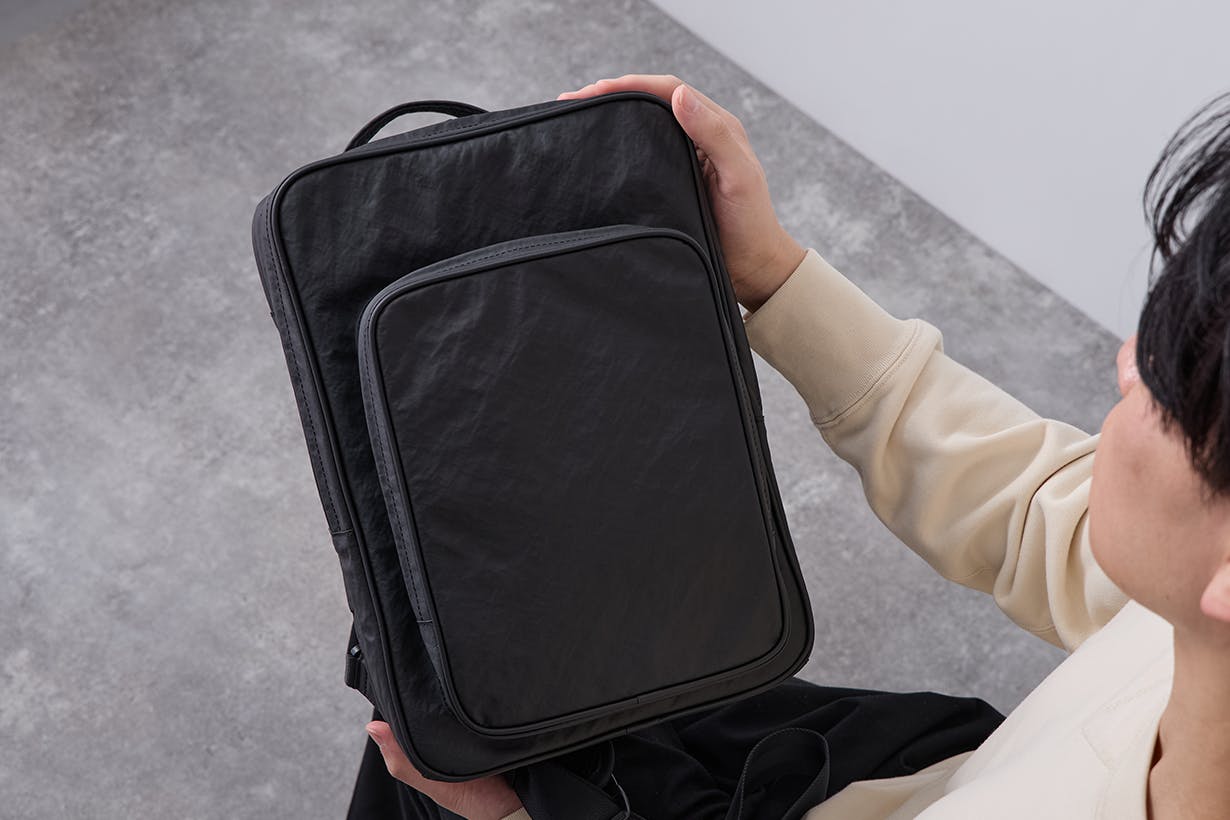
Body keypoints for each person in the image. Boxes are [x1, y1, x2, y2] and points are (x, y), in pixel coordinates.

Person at [352, 75, 1230, 819]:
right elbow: (1051, 521)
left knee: (451, 689)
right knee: (492, 648)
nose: (1126, 363)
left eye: (1167, 389)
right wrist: (772, 271)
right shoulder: (1189, 606)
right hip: (916, 780)